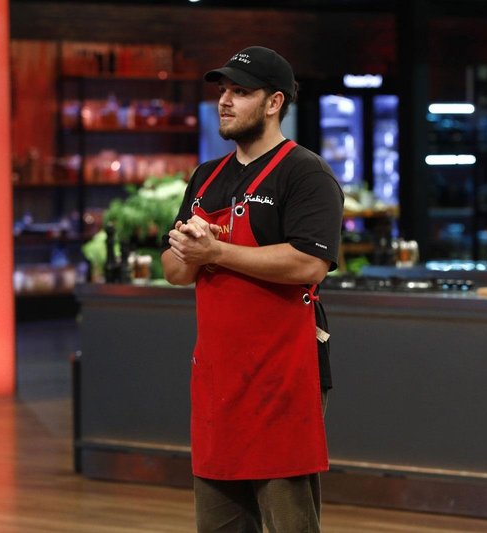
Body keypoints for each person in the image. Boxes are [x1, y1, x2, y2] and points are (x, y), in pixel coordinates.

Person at [161, 46, 344, 532]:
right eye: (223, 91)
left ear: (273, 102)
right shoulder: (207, 177)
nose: (225, 101)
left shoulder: (305, 173)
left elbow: (309, 263)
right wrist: (188, 248)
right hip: (218, 376)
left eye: (240, 92)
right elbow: (174, 271)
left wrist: (215, 251)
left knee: (288, 520)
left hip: (282, 376)